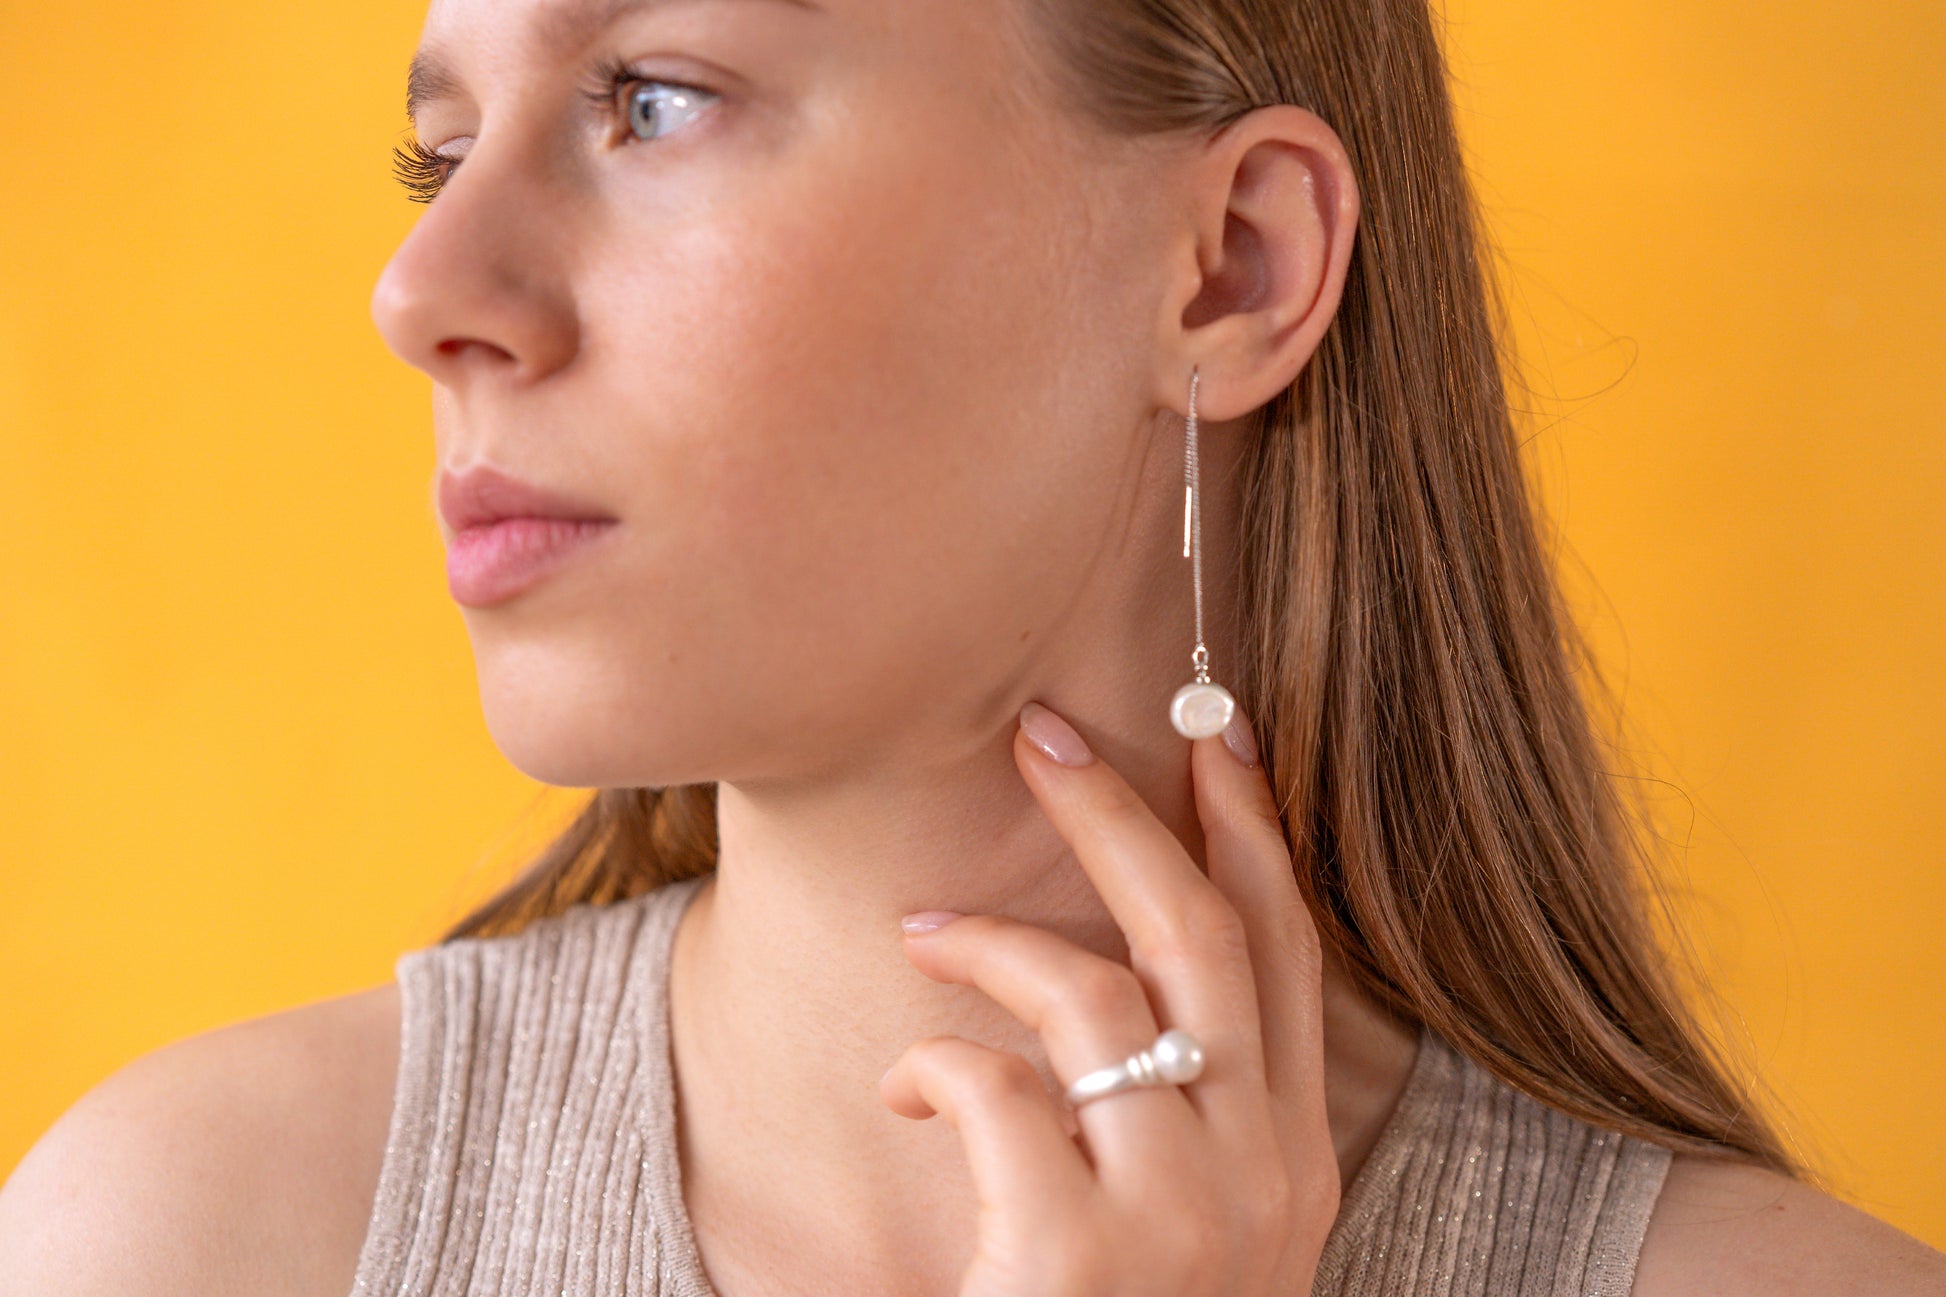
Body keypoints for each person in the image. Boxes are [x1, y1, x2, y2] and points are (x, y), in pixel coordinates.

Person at [3, 0, 1942, 1292]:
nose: (423, 290)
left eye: (649, 98)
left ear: (1230, 267)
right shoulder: (185, 1241)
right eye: (441, 153)